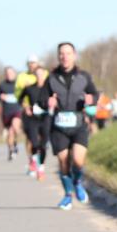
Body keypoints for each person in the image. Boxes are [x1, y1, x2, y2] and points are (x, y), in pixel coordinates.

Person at [42, 42, 98, 210]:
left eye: (68, 53)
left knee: (78, 160)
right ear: (58, 56)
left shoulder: (84, 76)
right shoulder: (51, 78)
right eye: (61, 54)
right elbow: (41, 99)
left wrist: (91, 99)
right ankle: (67, 195)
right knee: (63, 161)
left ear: (74, 55)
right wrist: (47, 102)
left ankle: (78, 182)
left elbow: (94, 94)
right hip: (59, 126)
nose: (64, 57)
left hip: (79, 122)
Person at [22, 66, 51, 180]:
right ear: (34, 75)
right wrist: (26, 107)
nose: (39, 76)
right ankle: (33, 160)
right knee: (34, 143)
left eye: (41, 74)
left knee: (43, 146)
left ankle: (41, 169)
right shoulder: (30, 88)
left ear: (44, 74)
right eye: (37, 74)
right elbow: (20, 99)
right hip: (33, 119)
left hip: (46, 118)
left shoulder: (50, 88)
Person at [15, 55, 41, 174]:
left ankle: (39, 159)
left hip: (42, 112)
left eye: (34, 63)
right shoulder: (21, 76)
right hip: (28, 111)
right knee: (30, 138)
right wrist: (25, 106)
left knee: (41, 138)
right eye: (30, 63)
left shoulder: (43, 73)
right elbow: (18, 95)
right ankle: (31, 160)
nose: (32, 65)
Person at [0, 66, 24, 161]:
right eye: (7, 73)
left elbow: (25, 95)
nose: (9, 75)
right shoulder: (1, 85)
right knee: (10, 133)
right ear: (5, 74)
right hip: (6, 112)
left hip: (17, 110)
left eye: (11, 73)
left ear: (14, 74)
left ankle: (15, 144)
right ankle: (12, 148)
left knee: (15, 128)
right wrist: (0, 96)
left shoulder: (19, 84)